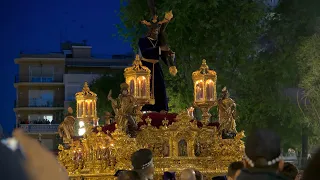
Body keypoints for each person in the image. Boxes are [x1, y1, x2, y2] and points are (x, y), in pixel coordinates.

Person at [138, 0, 177, 113]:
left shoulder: (159, 42)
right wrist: (160, 49)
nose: (155, 32)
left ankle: (161, 109)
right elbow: (146, 52)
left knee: (160, 87)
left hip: (157, 67)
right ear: (149, 30)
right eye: (154, 30)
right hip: (146, 68)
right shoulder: (143, 41)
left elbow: (164, 56)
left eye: (157, 30)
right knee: (146, 88)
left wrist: (170, 60)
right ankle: (146, 109)